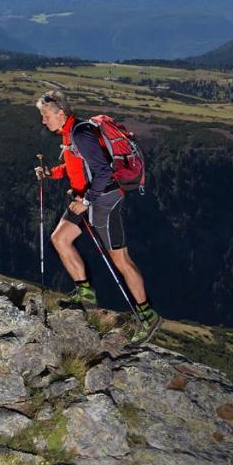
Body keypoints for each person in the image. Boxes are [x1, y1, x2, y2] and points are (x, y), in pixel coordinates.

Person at [34, 89, 162, 346]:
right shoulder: (69, 134)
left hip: (103, 199)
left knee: (121, 260)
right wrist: (50, 173)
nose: (43, 121)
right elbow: (75, 169)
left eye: (45, 115)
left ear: (60, 113)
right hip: (87, 197)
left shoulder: (80, 133)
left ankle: (148, 316)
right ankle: (85, 294)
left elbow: (103, 171)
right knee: (60, 239)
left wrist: (87, 201)